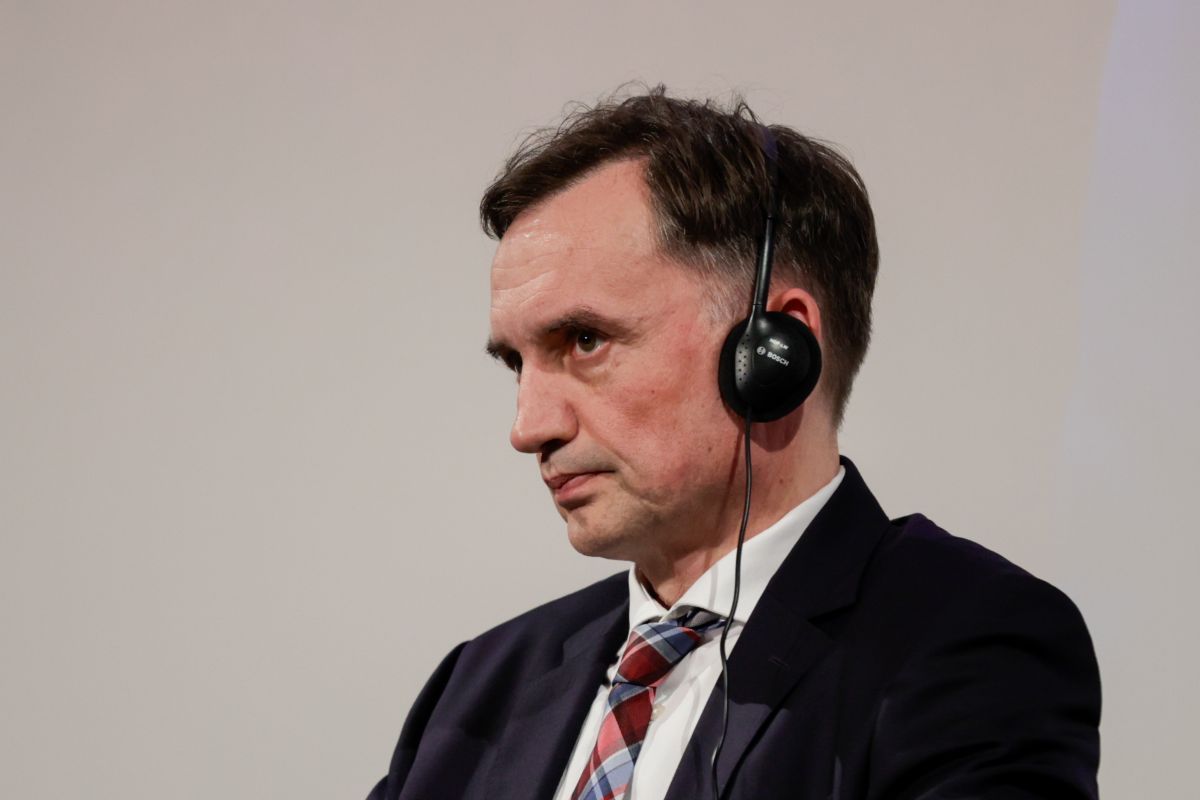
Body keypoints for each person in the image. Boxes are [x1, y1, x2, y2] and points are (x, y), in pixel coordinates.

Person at [367, 87, 1101, 800]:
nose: (528, 428)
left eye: (585, 340)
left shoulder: (969, 646)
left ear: (773, 349)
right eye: (516, 364)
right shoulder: (476, 688)